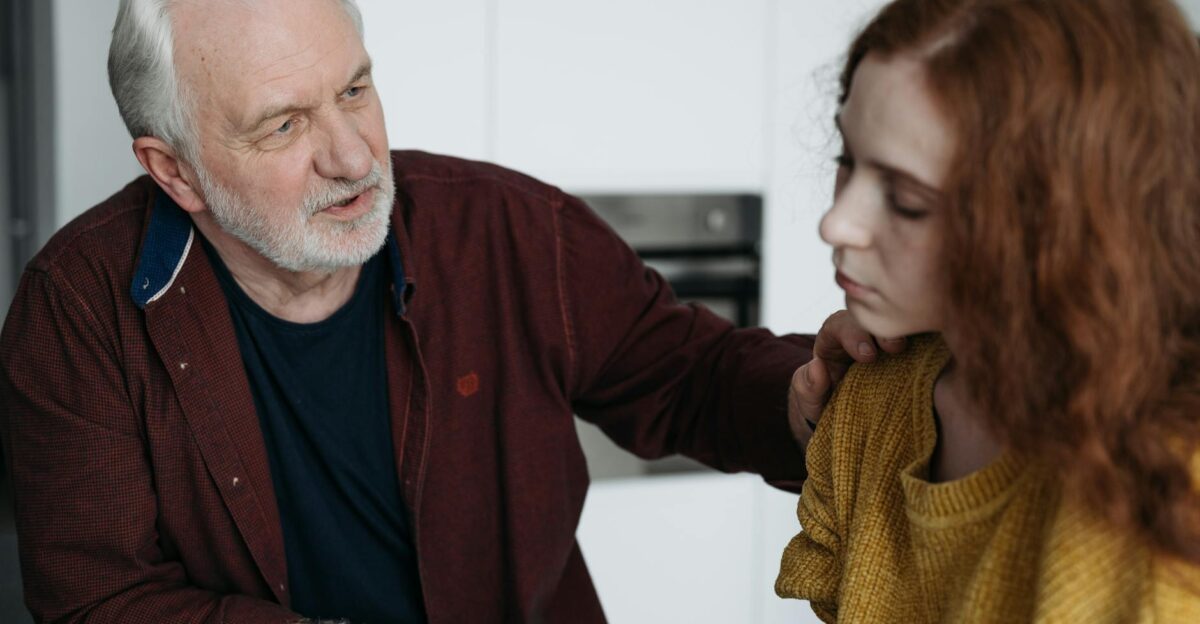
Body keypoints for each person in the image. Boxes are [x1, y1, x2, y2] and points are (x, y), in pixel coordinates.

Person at [0, 0, 889, 622]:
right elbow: (100, 601)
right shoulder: (76, 311)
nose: (353, 157)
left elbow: (688, 375)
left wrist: (805, 396)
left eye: (354, 90)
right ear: (175, 171)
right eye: (282, 126)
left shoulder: (508, 228)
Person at [775, 0, 1200, 620]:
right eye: (848, 158)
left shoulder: (1171, 488)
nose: (835, 223)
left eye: (909, 202)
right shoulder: (871, 398)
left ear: (1058, 222)